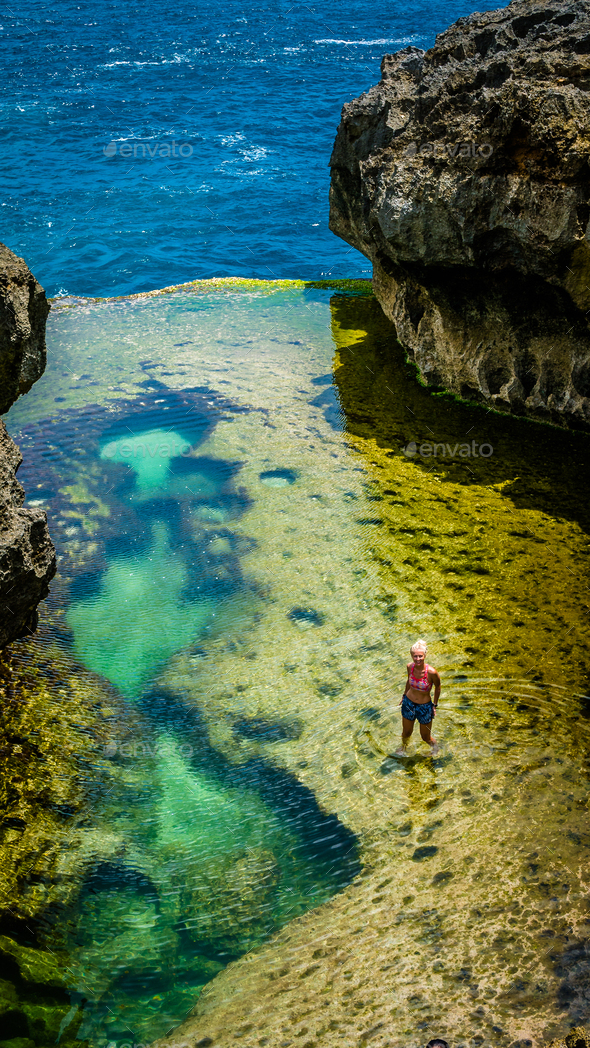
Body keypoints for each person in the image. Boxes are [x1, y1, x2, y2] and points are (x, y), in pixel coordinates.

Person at [395, 639, 441, 756]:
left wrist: (434, 705)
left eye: (420, 656)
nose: (418, 659)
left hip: (424, 707)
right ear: (411, 656)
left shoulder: (431, 672)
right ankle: (404, 747)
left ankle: (435, 748)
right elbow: (408, 682)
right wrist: (404, 695)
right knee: (406, 733)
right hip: (408, 703)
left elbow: (438, 687)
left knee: (425, 737)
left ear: (425, 655)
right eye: (415, 656)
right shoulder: (410, 667)